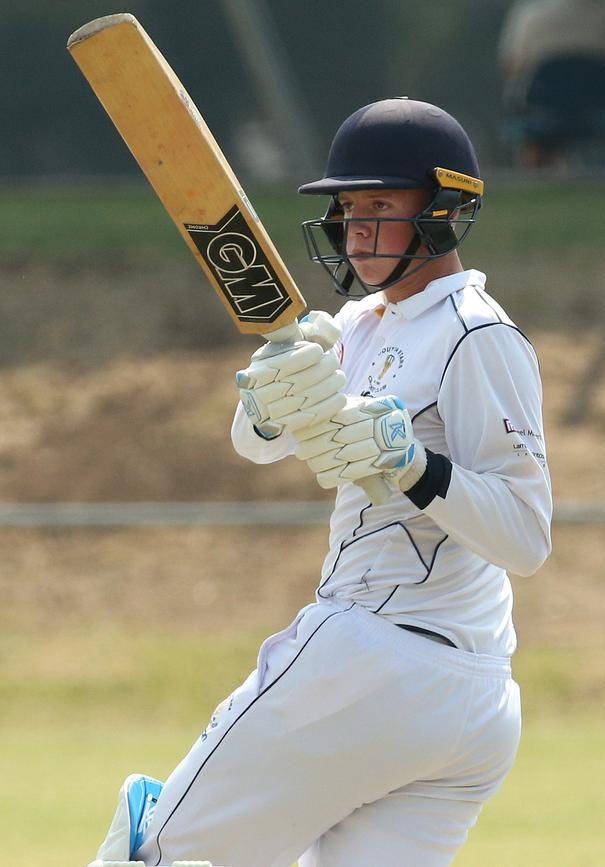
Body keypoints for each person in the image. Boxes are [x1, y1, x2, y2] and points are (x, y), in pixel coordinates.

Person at [90, 97, 552, 867]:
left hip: (373, 658)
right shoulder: (361, 324)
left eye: (379, 205)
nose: (356, 227)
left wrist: (411, 464)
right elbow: (257, 446)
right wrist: (274, 398)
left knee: (153, 850)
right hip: (469, 709)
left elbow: (527, 538)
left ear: (441, 210)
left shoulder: (476, 334)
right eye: (347, 207)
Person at [498, 0, 605, 169]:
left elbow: (511, 65)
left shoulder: (529, 14)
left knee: (525, 105)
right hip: (596, 110)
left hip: (546, 111)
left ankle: (535, 175)